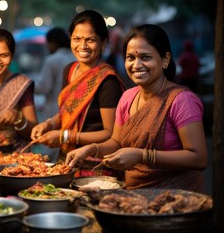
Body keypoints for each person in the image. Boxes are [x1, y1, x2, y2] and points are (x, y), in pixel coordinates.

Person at [65, 24, 208, 193]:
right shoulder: (128, 97)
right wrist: (91, 149)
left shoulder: (182, 100)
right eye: (130, 57)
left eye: (146, 57)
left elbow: (199, 158)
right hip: (133, 197)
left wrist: (143, 155)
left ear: (165, 59)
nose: (136, 65)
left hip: (175, 201)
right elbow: (116, 142)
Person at [31, 10, 125, 177]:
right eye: (77, 39)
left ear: (103, 42)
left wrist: (65, 136)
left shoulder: (107, 81)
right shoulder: (70, 69)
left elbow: (109, 134)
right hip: (65, 161)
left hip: (95, 168)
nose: (82, 46)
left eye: (90, 40)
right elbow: (67, 112)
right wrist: (49, 124)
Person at [35, 27, 76, 122]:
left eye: (48, 43)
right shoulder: (75, 58)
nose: (47, 46)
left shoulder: (52, 60)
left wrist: (27, 85)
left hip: (54, 110)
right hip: (74, 109)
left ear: (53, 43)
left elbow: (44, 87)